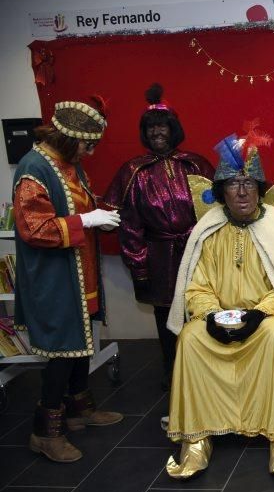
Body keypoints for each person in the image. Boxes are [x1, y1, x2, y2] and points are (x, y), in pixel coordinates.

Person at [163, 130, 274, 478]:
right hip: (217, 314)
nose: (242, 191)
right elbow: (195, 285)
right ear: (221, 191)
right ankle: (197, 440)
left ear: (260, 188)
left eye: (248, 183)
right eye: (232, 183)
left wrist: (261, 313)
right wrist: (211, 315)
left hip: (267, 317)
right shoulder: (207, 229)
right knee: (191, 339)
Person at [13, 98, 123, 463]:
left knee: (82, 342)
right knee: (62, 352)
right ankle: (45, 433)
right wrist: (86, 223)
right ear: (65, 137)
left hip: (80, 272)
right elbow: (35, 228)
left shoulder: (69, 164)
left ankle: (79, 410)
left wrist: (98, 214)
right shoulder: (33, 168)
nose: (90, 152)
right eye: (86, 144)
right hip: (54, 278)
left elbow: (77, 206)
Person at [105, 83, 214, 390]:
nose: (156, 132)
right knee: (166, 316)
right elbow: (130, 224)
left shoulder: (197, 164)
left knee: (201, 308)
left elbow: (216, 211)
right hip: (158, 255)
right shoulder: (133, 172)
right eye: (150, 128)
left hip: (197, 251)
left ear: (173, 129)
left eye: (162, 126)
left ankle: (206, 370)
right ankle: (174, 372)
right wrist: (139, 266)